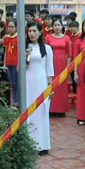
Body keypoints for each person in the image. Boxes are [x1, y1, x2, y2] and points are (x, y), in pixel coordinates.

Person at [25, 21, 53, 155]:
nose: (31, 33)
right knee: (28, 113)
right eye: (29, 31)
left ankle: (42, 144)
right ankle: (28, 144)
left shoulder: (47, 49)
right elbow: (20, 69)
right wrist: (24, 58)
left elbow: (50, 70)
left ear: (40, 32)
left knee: (41, 113)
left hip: (41, 84)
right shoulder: (24, 47)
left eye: (34, 31)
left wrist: (50, 87)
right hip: (27, 84)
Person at [4, 20, 20, 108]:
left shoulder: (18, 38)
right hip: (8, 63)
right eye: (9, 27)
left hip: (15, 63)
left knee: (16, 84)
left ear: (16, 27)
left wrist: (19, 64)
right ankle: (13, 102)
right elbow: (6, 51)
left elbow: (20, 52)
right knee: (11, 84)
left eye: (12, 27)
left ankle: (16, 102)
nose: (10, 28)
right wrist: (4, 64)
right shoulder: (6, 38)